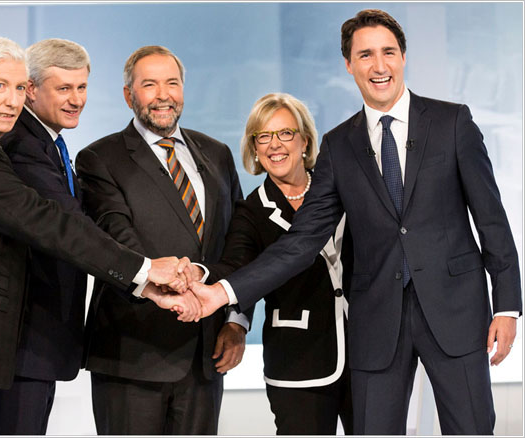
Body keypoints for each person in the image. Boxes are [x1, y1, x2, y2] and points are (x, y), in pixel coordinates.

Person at [191, 9, 522, 435]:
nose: (378, 65)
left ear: (403, 57)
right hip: (375, 322)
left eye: (388, 52)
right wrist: (222, 293)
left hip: (456, 311)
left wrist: (507, 305)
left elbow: (492, 219)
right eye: (365, 55)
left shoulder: (452, 122)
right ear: (349, 65)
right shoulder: (337, 145)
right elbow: (301, 240)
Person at [0, 36, 197, 435]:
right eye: (0, 86)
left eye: (18, 87)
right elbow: (49, 222)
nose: (12, 100)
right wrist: (143, 271)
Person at [75, 45, 250, 435]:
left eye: (172, 83)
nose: (163, 94)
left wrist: (236, 321)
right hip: (132, 355)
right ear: (128, 95)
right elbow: (115, 235)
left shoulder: (217, 154)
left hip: (206, 357)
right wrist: (171, 284)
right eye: (149, 84)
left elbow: (240, 243)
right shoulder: (99, 158)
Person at [206, 92, 353, 435]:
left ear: (305, 140)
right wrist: (236, 324)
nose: (275, 144)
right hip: (298, 359)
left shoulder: (341, 187)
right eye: (263, 136)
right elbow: (238, 270)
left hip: (366, 351)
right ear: (254, 149)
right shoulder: (251, 211)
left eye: (285, 133)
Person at [0, 38, 90, 435]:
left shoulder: (50, 144)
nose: (76, 99)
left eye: (81, 87)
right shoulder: (22, 145)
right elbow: (69, 226)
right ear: (31, 89)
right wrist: (144, 272)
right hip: (23, 342)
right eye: (63, 88)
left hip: (40, 344)